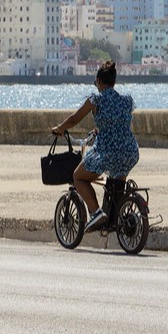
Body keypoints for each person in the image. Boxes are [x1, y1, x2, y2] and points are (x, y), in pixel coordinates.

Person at [50, 61, 139, 233]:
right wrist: (100, 128)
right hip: (130, 151)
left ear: (98, 81)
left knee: (78, 176)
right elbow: (117, 121)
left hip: (107, 151)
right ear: (113, 82)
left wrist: (60, 129)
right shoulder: (126, 101)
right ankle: (114, 221)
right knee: (116, 184)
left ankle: (96, 212)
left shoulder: (95, 100)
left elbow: (74, 119)